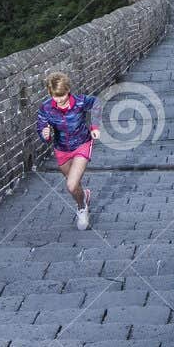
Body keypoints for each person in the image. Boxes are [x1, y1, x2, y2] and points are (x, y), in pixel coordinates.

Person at [36, 71, 98, 229]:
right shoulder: (46, 107)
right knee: (75, 186)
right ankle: (84, 197)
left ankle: (81, 209)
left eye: (62, 95)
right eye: (55, 96)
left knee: (71, 185)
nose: (59, 100)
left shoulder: (80, 102)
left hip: (82, 144)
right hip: (61, 148)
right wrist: (45, 135)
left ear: (68, 90)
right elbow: (42, 129)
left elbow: (98, 104)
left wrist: (95, 126)